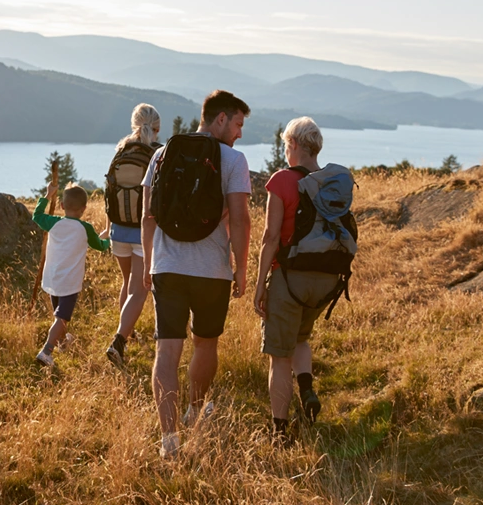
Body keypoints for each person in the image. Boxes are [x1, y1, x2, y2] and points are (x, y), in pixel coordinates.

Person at [141, 90, 252, 457]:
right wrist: (241, 268)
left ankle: (168, 440)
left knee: (167, 350)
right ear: (220, 119)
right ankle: (193, 409)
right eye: (237, 124)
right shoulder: (233, 160)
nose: (238, 133)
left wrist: (148, 265)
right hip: (212, 272)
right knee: (206, 343)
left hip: (167, 267)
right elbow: (240, 218)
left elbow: (148, 216)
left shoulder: (161, 154)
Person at [252, 117, 339, 441]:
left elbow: (270, 237)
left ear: (296, 146)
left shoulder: (283, 181)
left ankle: (279, 430)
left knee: (279, 355)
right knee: (301, 337)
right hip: (326, 281)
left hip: (290, 280)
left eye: (288, 145)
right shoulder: (331, 181)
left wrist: (261, 284)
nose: (286, 151)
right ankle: (307, 391)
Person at [104, 103, 162, 369]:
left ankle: (126, 333)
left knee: (127, 283)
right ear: (156, 128)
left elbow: (109, 191)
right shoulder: (156, 153)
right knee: (139, 291)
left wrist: (108, 226)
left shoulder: (121, 149)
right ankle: (119, 341)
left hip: (118, 230)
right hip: (142, 230)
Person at [33, 183, 111, 367]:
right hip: (70, 282)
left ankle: (62, 342)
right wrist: (107, 238)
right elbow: (100, 246)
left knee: (59, 316)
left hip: (53, 277)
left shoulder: (54, 222)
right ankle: (46, 351)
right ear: (84, 209)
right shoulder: (86, 228)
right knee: (62, 318)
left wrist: (47, 195)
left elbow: (37, 216)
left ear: (61, 205)